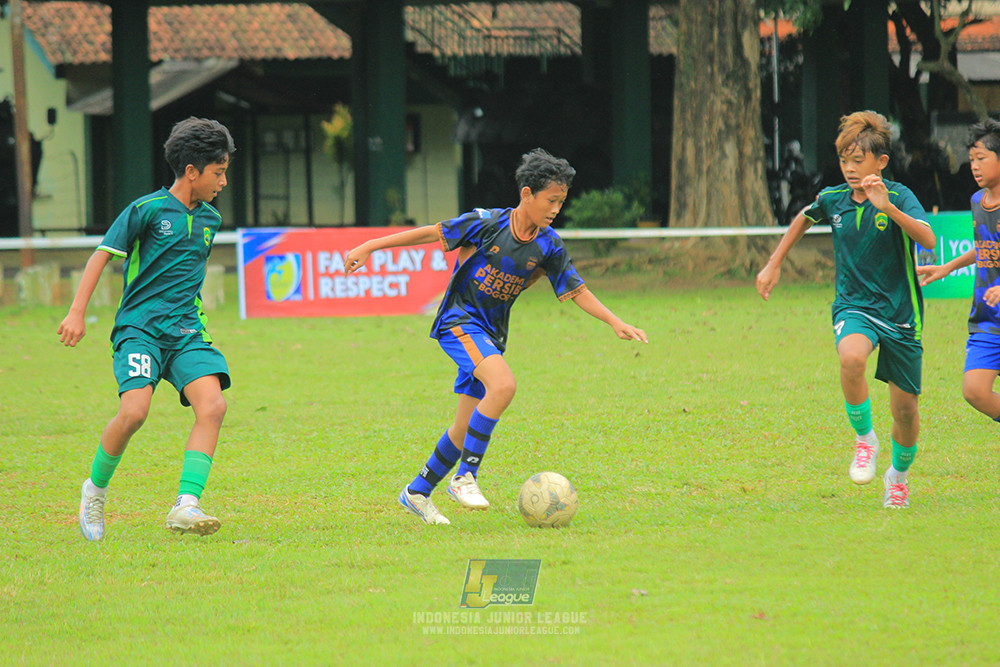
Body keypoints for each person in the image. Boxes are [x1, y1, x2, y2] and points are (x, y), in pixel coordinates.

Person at [344, 148, 647, 525]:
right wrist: (369, 246)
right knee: (503, 385)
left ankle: (417, 492)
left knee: (462, 428)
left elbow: (576, 289)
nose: (556, 209)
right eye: (551, 200)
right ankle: (465, 477)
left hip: (489, 335)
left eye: (561, 202)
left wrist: (615, 321)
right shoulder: (487, 223)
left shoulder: (549, 245)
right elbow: (429, 233)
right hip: (458, 321)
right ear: (526, 194)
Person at [58, 117, 235, 540]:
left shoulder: (210, 220)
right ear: (191, 171)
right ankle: (94, 491)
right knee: (134, 412)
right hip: (139, 330)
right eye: (218, 172)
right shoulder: (146, 210)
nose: (223, 182)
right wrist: (77, 312)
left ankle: (186, 505)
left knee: (213, 406)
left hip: (186, 332)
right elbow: (102, 255)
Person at [756, 111, 936, 509]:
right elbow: (803, 218)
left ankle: (898, 476)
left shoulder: (899, 196)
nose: (850, 169)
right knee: (851, 357)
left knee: (906, 411)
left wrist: (888, 208)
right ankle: (865, 439)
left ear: (881, 161)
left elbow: (928, 239)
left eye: (858, 160)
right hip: (854, 305)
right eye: (844, 160)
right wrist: (774, 263)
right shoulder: (833, 199)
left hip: (901, 314)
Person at [917, 120, 1000, 422]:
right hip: (987, 318)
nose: (974, 166)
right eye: (972, 159)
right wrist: (947, 267)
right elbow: (984, 246)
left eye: (982, 158)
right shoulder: (977, 201)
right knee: (974, 390)